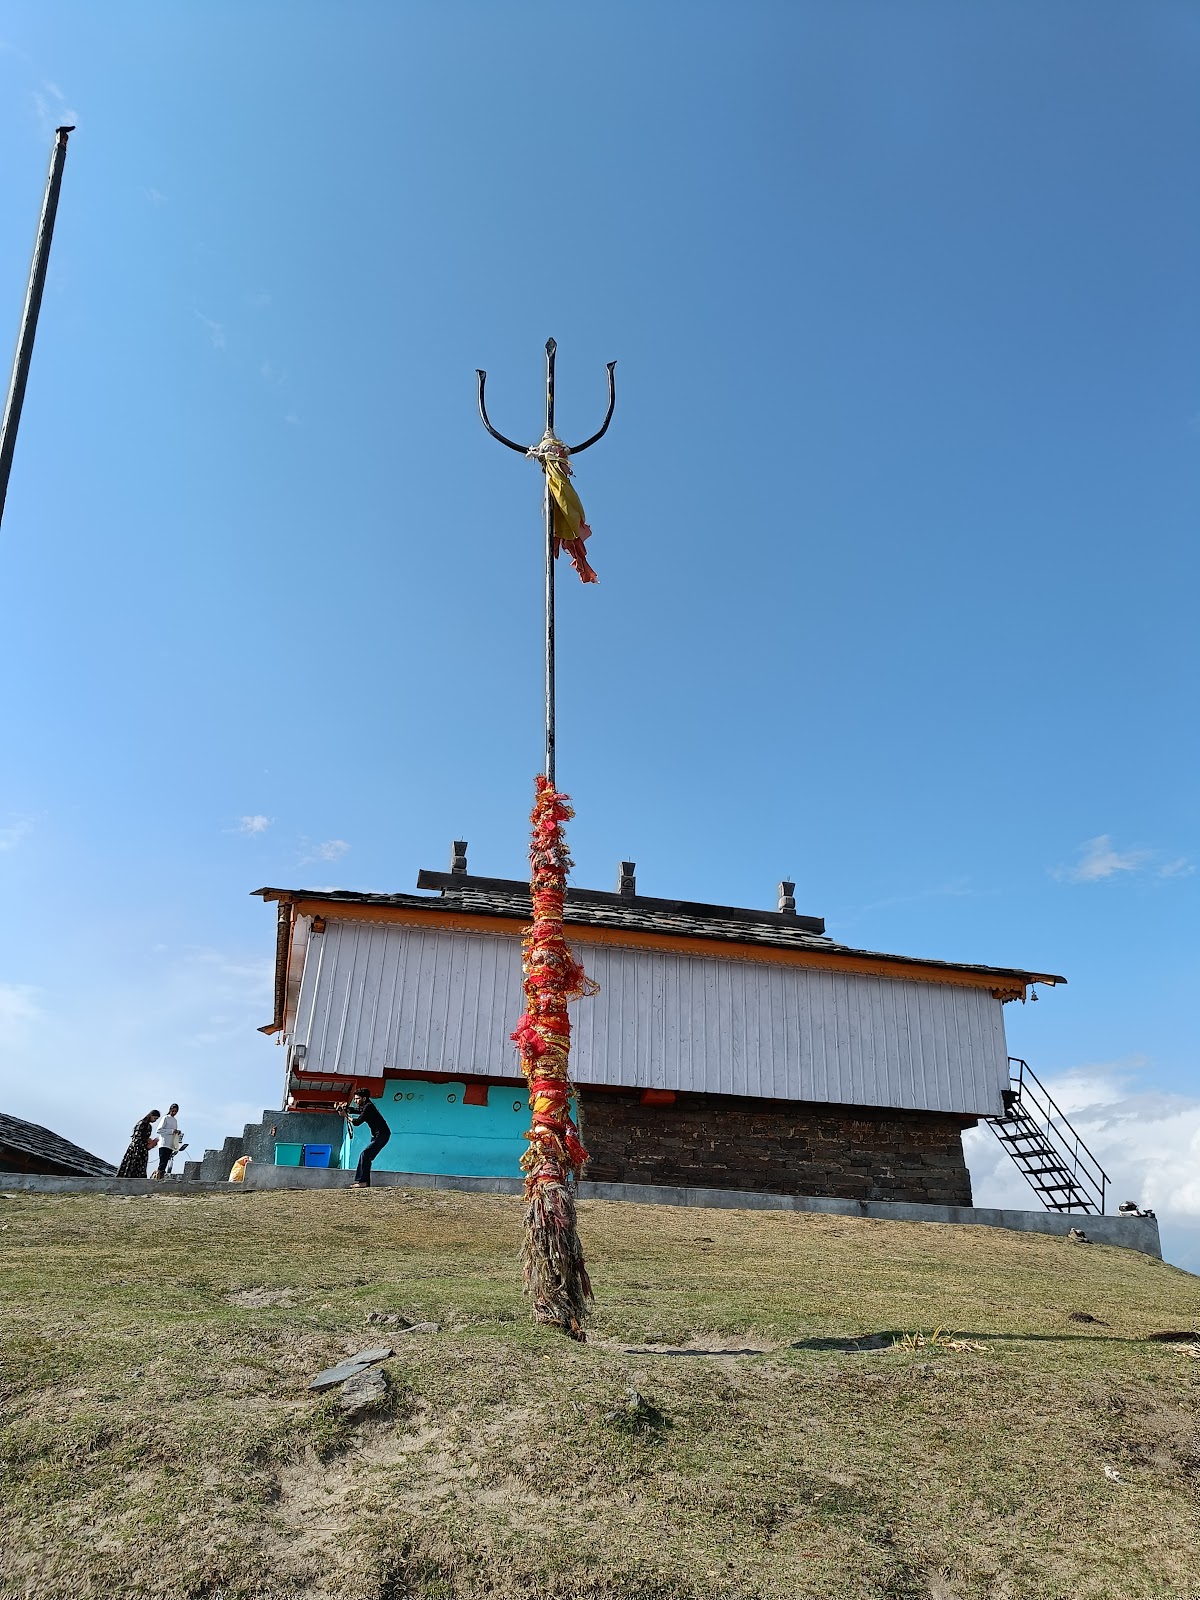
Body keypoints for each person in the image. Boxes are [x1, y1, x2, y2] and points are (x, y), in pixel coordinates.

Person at [337, 1088, 391, 1188]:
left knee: (365, 1155)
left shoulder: (368, 1107)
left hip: (382, 1135)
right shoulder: (367, 1106)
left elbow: (357, 1122)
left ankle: (362, 1182)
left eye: (357, 1099)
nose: (355, 1101)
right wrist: (346, 1109)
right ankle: (364, 1182)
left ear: (364, 1098)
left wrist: (345, 1115)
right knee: (367, 1157)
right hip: (378, 1135)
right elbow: (358, 1111)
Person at [116, 1110, 160, 1179]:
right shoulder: (141, 1124)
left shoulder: (148, 1126)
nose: (155, 1121)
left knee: (139, 1168)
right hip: (136, 1149)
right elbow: (137, 1137)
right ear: (151, 1115)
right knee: (132, 1166)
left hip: (143, 1150)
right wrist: (147, 1140)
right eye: (154, 1118)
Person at [153, 1104, 182, 1179]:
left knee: (165, 1162)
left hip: (170, 1144)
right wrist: (171, 1131)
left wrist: (176, 1132)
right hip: (164, 1143)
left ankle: (161, 1175)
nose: (174, 1112)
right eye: (173, 1111)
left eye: (175, 1111)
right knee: (162, 1162)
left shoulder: (175, 1121)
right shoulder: (165, 1118)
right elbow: (159, 1130)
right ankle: (157, 1176)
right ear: (170, 1109)